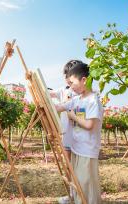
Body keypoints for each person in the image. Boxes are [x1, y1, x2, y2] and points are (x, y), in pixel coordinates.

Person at [56, 62, 103, 204]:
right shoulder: (76, 100)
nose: (70, 86)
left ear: (84, 80)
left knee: (85, 182)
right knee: (78, 180)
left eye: (72, 82)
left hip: (88, 150)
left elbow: (89, 125)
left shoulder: (92, 100)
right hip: (77, 148)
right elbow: (59, 107)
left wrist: (73, 116)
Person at [50, 60, 81, 204]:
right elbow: (48, 93)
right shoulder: (63, 90)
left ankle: (80, 195)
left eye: (68, 75)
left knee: (78, 168)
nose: (66, 78)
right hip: (66, 135)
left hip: (79, 137)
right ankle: (72, 195)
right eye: (65, 75)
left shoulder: (81, 92)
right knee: (68, 167)